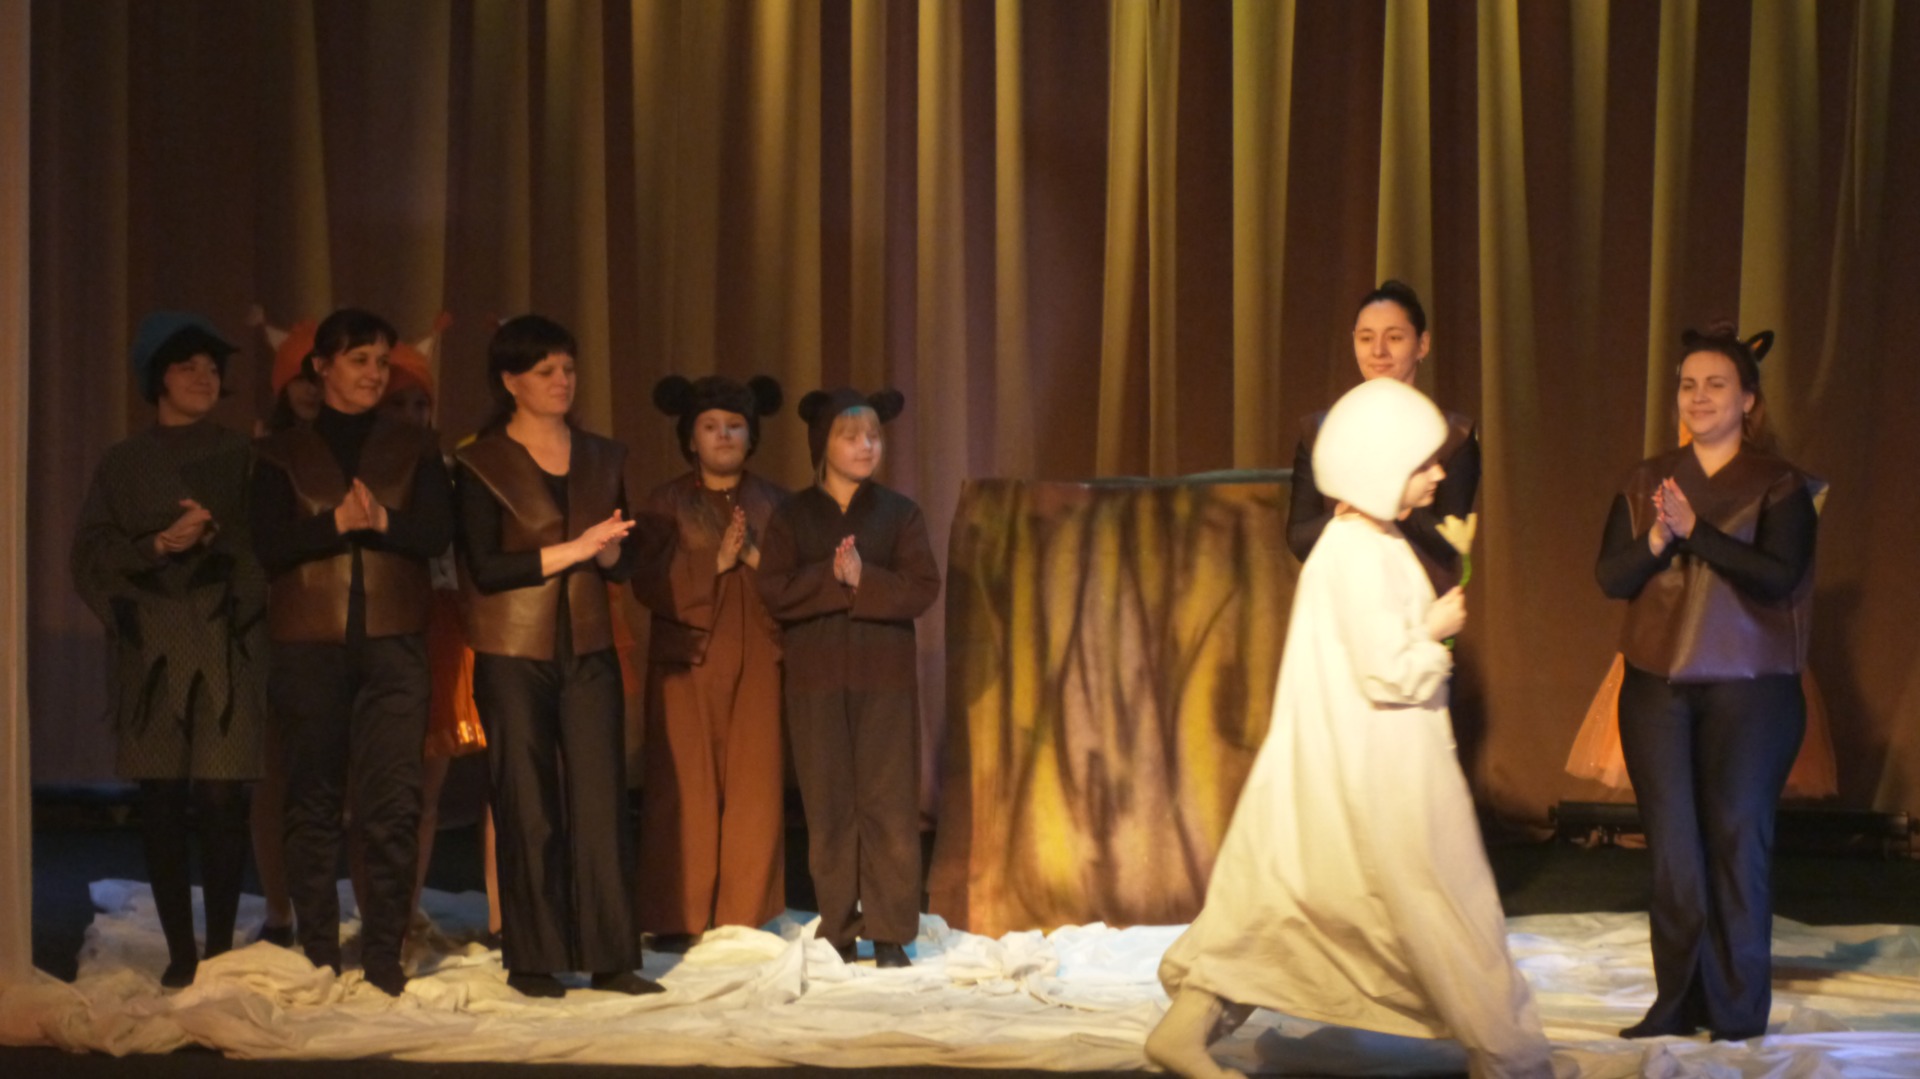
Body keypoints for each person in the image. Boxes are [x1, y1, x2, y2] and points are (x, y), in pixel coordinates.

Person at [1149, 378, 1551, 1079]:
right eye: (1421, 464)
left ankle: (1498, 1051)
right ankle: (1503, 1055)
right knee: (1428, 901)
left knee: (1284, 905)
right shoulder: (1358, 553)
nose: (1437, 475)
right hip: (1375, 770)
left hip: (1360, 762)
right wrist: (1433, 631)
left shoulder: (1368, 541)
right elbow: (1387, 671)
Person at [1597, 324, 1818, 1042]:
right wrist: (1659, 538)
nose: (1699, 397)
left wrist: (1698, 531)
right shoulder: (1646, 479)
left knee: (1736, 840)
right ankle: (1675, 1000)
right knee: (1673, 851)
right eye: (1688, 385)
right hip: (1657, 687)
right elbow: (1611, 576)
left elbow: (1779, 576)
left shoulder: (1778, 483)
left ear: (1747, 399)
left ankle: (1735, 1009)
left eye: (1716, 384)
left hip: (1750, 689)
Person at [454, 314, 659, 998]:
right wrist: (575, 549)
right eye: (546, 371)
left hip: (589, 644)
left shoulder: (602, 456)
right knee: (527, 799)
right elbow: (485, 566)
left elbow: (623, 558)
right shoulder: (481, 461)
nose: (562, 380)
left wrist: (609, 555)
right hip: (512, 648)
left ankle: (611, 953)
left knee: (601, 799)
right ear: (511, 382)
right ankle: (534, 955)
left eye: (568, 368)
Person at [250, 307, 454, 996]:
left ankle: (384, 949)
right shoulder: (281, 450)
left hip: (395, 641)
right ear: (322, 366)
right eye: (359, 359)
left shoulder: (415, 445)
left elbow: (435, 533)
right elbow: (268, 545)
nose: (373, 373)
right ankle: (316, 945)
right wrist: (335, 524)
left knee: (392, 799)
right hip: (308, 641)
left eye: (381, 362)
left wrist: (383, 520)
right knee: (312, 794)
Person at [72, 312, 269, 988]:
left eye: (213, 368)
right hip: (153, 644)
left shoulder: (240, 455)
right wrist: (157, 544)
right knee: (160, 794)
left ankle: (220, 944)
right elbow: (91, 552)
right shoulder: (124, 462)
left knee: (221, 795)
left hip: (225, 638)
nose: (205, 377)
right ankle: (181, 950)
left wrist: (218, 548)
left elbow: (267, 542)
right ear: (158, 378)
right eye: (189, 367)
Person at [754, 388, 940, 968]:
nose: (866, 446)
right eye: (851, 436)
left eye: (874, 437)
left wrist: (865, 579)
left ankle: (889, 932)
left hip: (884, 680)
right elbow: (775, 589)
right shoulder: (793, 515)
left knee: (889, 805)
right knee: (828, 804)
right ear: (823, 444)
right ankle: (838, 926)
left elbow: (922, 587)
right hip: (815, 680)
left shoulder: (900, 513)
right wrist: (833, 579)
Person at [632, 375, 788, 946]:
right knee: (684, 784)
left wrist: (754, 557)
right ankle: (678, 913)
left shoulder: (777, 503)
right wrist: (714, 564)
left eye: (735, 426)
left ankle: (746, 911)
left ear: (752, 436)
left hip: (759, 653)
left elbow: (800, 582)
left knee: (755, 782)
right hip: (689, 656)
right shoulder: (666, 502)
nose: (723, 436)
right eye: (710, 426)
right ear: (690, 438)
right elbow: (646, 580)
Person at [1286, 280, 1479, 590]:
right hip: (1343, 599)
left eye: (1394, 338)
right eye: (1366, 338)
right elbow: (1300, 539)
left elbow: (1448, 542)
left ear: (1422, 344)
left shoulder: (1452, 435)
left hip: (1422, 602)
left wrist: (1387, 502)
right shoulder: (1321, 432)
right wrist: (1346, 511)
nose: (1378, 351)